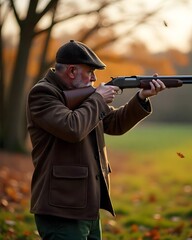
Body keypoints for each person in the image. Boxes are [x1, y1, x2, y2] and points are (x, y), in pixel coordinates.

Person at [26, 40, 166, 240]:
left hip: (87, 205)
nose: (94, 78)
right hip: (61, 208)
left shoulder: (86, 98)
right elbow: (72, 128)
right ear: (72, 71)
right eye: (90, 71)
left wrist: (141, 98)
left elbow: (114, 124)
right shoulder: (43, 94)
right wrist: (98, 99)